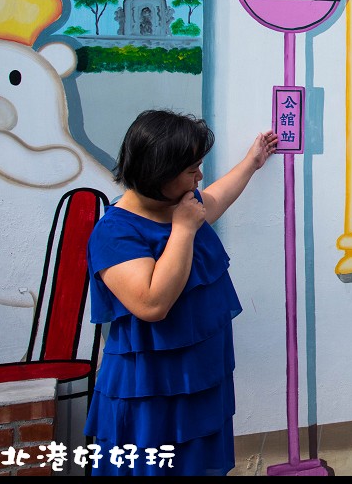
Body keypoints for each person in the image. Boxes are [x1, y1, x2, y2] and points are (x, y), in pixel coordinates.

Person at [83, 110, 278, 476]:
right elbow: (152, 303)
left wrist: (252, 163)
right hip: (152, 389)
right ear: (159, 173)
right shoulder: (114, 233)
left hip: (200, 379)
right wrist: (184, 230)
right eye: (192, 170)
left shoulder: (183, 204)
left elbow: (217, 197)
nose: (200, 177)